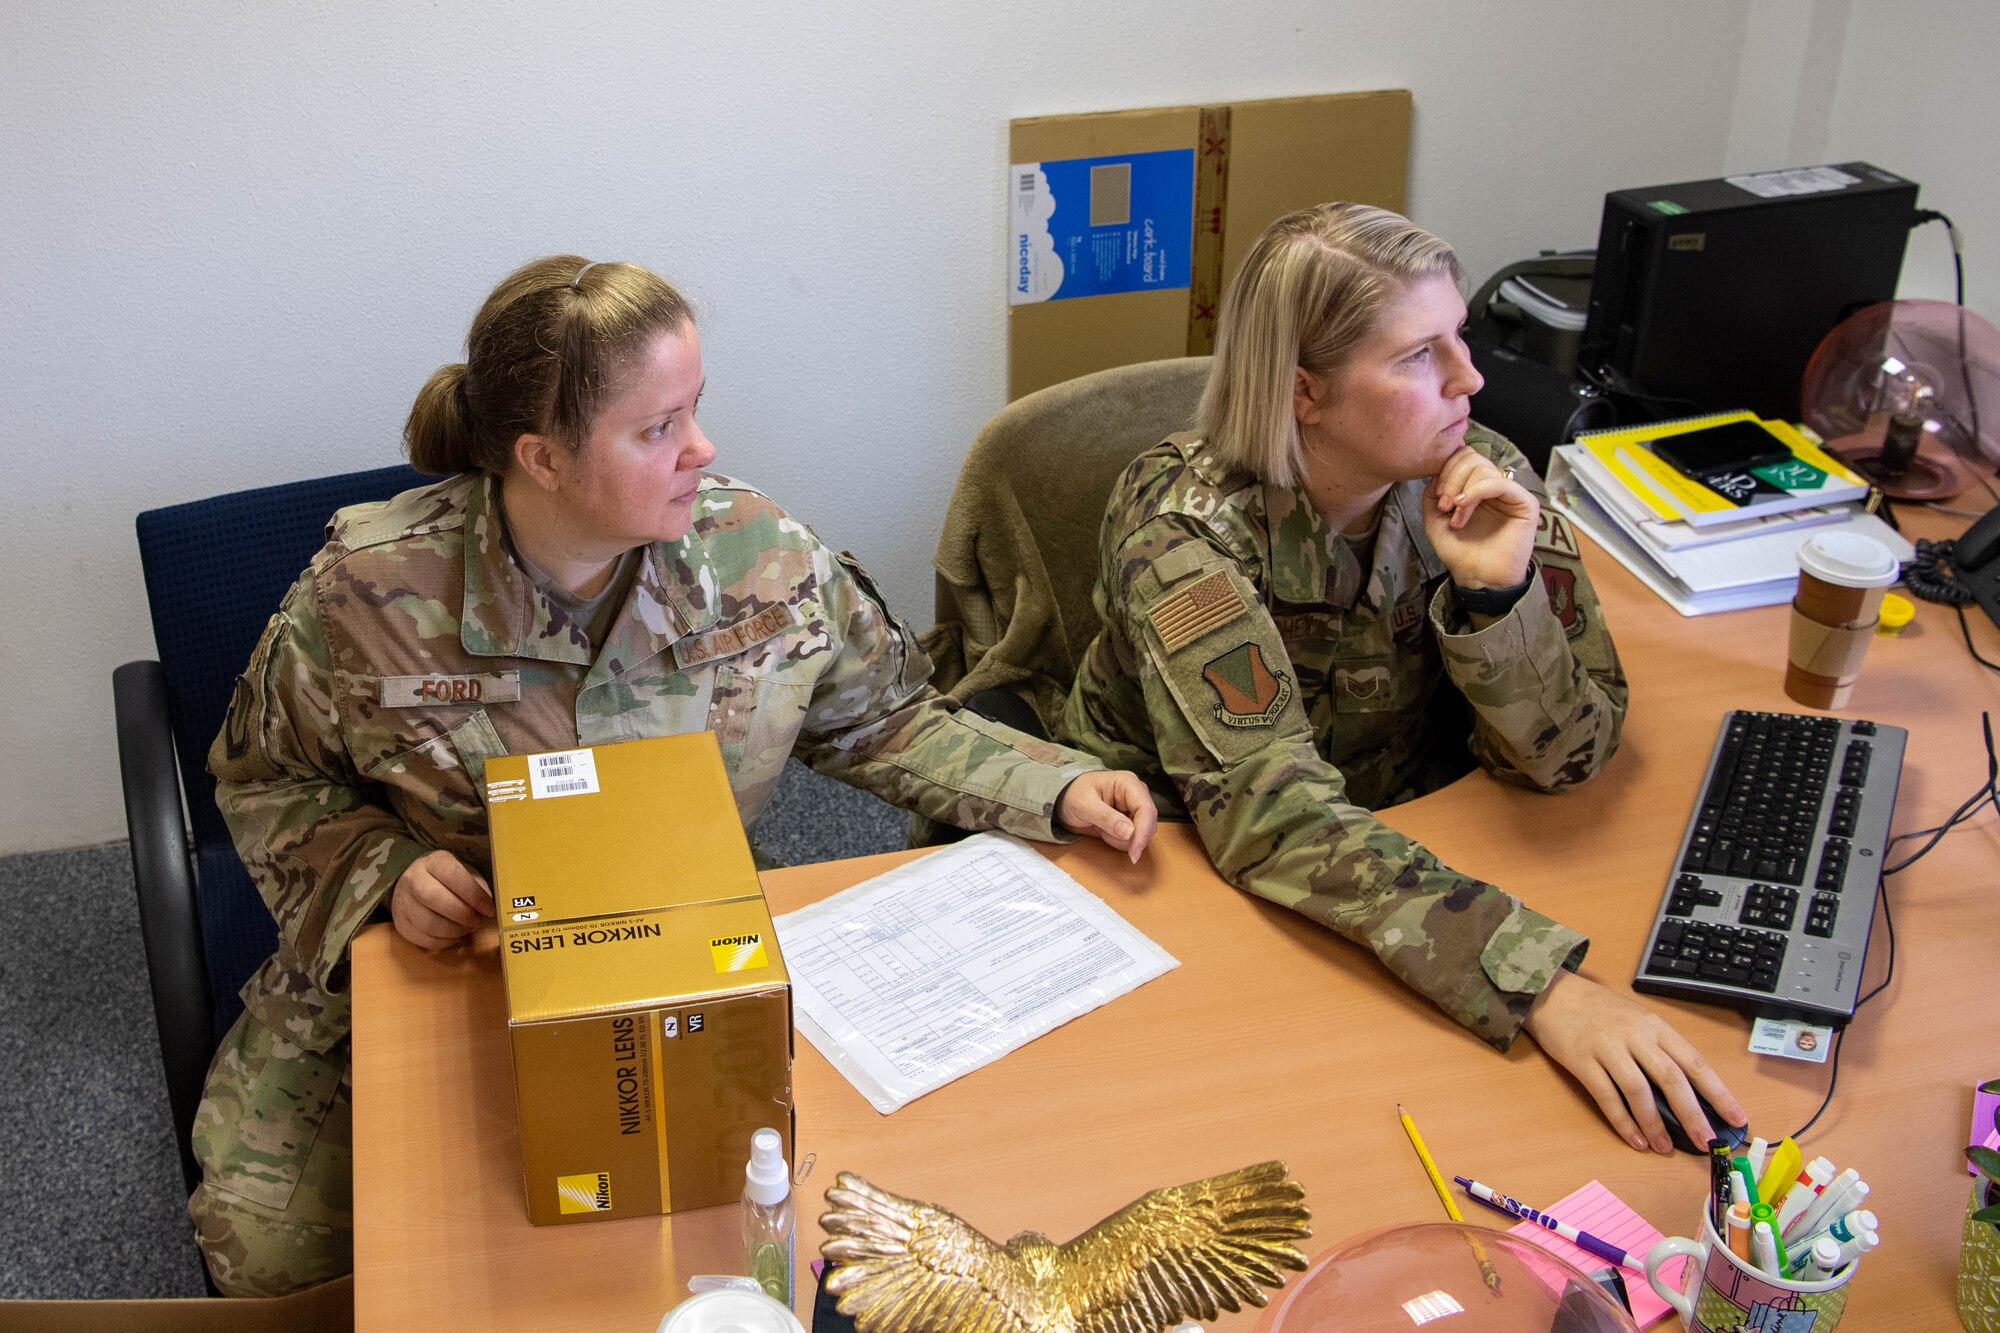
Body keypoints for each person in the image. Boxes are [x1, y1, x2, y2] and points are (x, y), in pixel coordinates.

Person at [191, 255, 1159, 1296]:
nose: (701, 449)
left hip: (696, 950)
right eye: (658, 428)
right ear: (543, 458)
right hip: (457, 964)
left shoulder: (755, 555)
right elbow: (266, 778)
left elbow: (887, 721)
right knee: (280, 1259)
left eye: (695, 409)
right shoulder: (369, 596)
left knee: (828, 1211)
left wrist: (1048, 787)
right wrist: (383, 875)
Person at [1057, 203, 1744, 1155]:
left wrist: (1499, 599)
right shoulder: (1184, 532)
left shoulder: (1483, 477)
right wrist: (1536, 979)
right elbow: (1272, 817)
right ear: (1306, 392)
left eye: (1459, 337)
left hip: (1391, 842)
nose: (1472, 377)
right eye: (1421, 355)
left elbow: (1574, 755)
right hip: (1164, 857)